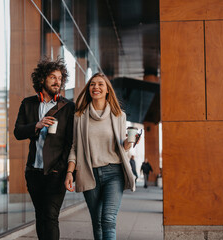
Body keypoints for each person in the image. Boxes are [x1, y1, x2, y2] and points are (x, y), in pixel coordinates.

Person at [64, 72, 140, 240]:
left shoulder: (119, 115)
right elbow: (75, 147)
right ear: (89, 89)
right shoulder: (80, 117)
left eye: (100, 84)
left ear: (107, 90)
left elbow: (123, 147)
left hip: (114, 173)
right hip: (89, 174)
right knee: (97, 222)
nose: (96, 87)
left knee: (108, 219)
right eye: (92, 84)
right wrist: (69, 172)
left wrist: (130, 142)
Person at [14, 58, 75, 240]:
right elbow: (18, 132)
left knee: (50, 216)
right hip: (33, 171)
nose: (58, 82)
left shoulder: (68, 107)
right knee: (40, 216)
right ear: (42, 79)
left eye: (60, 78)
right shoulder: (28, 103)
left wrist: (62, 168)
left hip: (56, 171)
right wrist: (37, 125)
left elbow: (71, 141)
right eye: (52, 77)